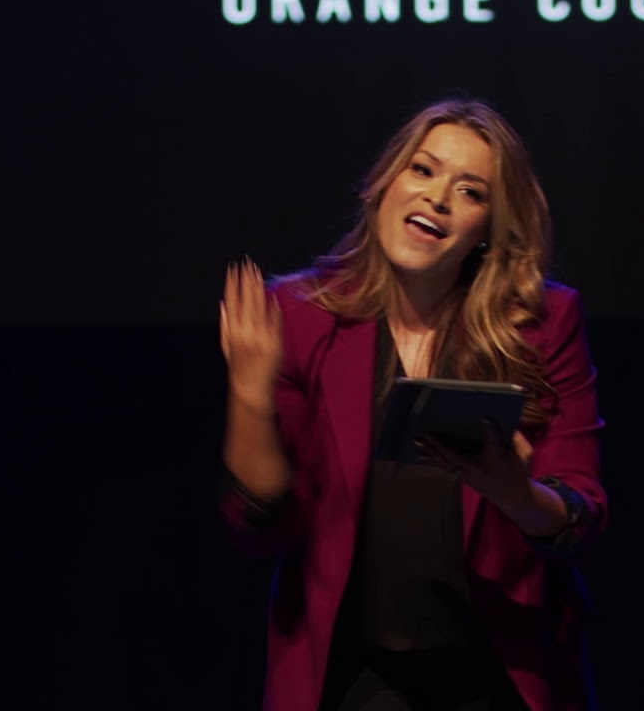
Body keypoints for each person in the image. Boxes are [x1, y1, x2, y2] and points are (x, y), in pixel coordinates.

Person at [218, 98, 606, 711]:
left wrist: (516, 494)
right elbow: (261, 524)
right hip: (354, 673)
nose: (438, 198)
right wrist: (249, 395)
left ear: (489, 228)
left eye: (470, 191)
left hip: (498, 667)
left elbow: (582, 522)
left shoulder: (544, 323)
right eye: (422, 170)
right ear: (383, 185)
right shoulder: (299, 315)